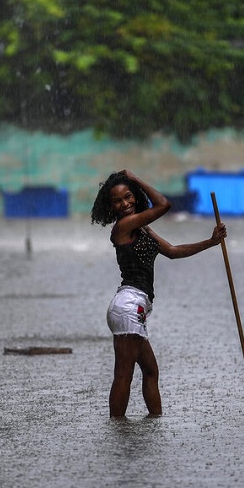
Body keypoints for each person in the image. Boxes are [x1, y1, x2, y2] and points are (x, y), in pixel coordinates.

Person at [91, 169, 227, 417]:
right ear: (111, 207)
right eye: (118, 201)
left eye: (129, 196)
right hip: (128, 307)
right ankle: (117, 431)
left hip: (135, 309)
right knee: (123, 374)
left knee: (151, 371)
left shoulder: (143, 229)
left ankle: (154, 425)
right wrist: (135, 178)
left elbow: (174, 251)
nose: (125, 204)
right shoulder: (124, 226)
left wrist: (211, 242)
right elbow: (164, 204)